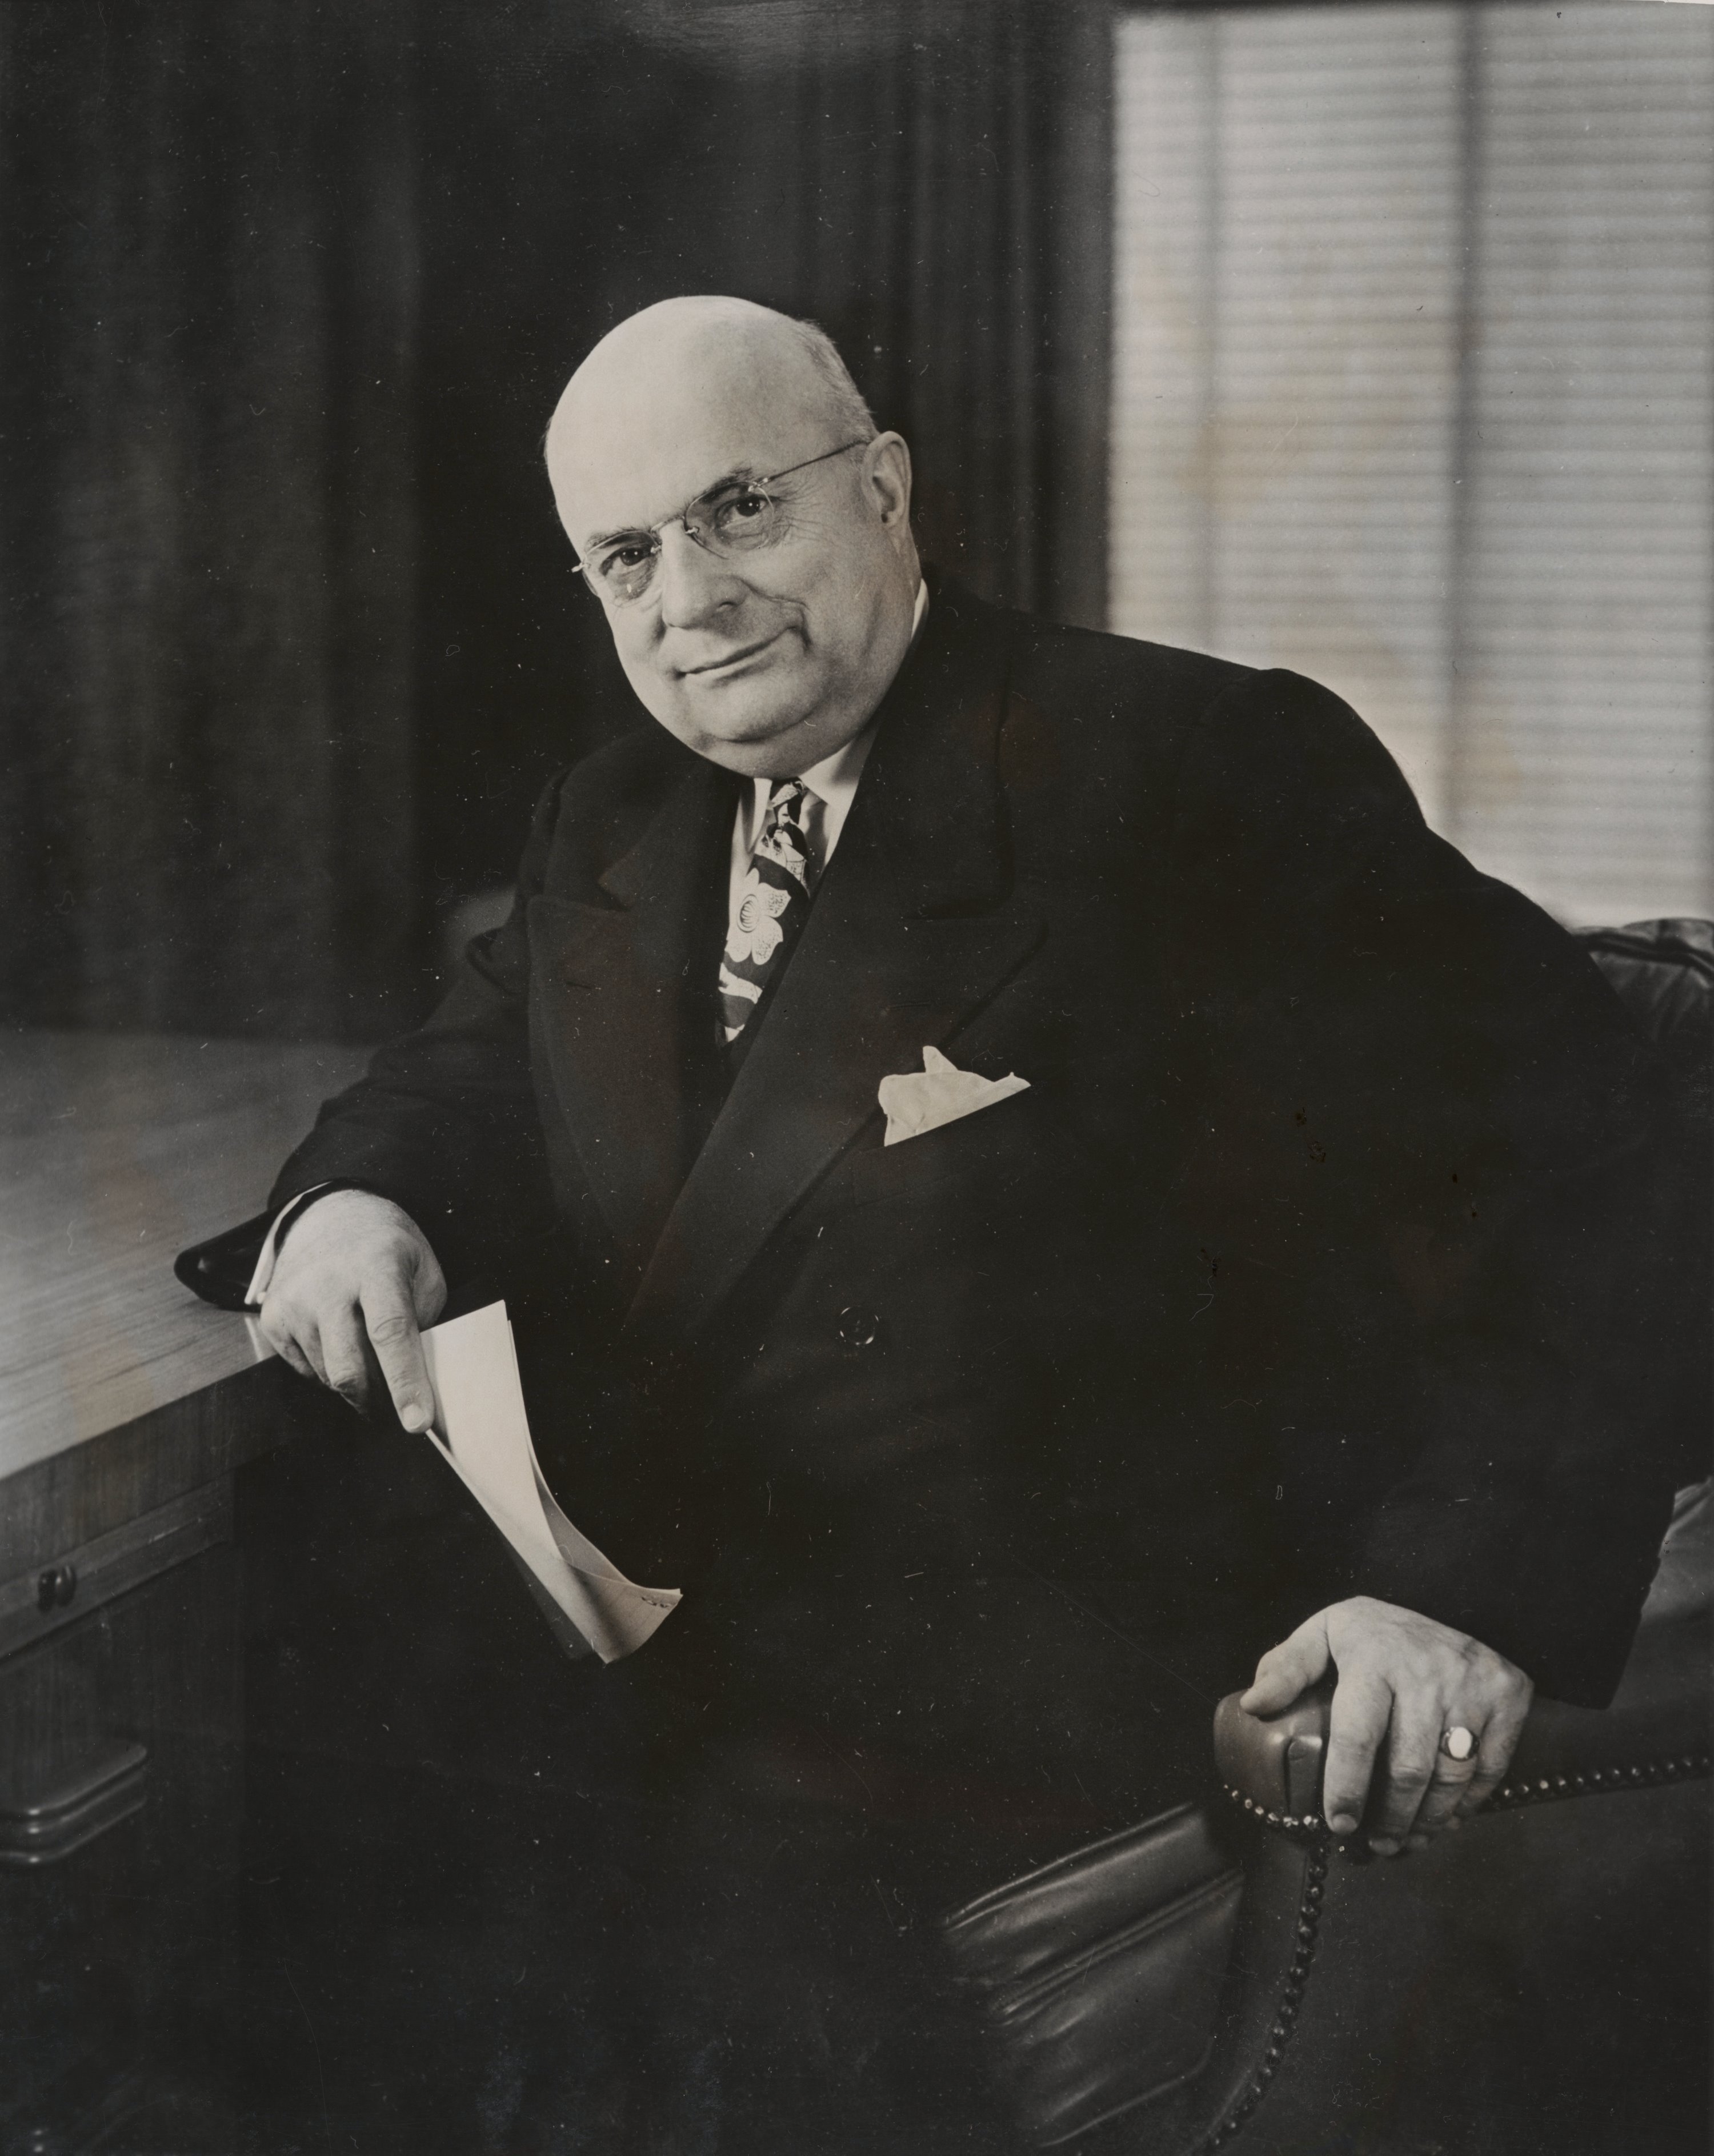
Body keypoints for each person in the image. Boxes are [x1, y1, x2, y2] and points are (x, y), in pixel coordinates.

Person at [183, 296, 1688, 2148]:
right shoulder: (620, 814)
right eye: (626, 556)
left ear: (886, 491)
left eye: (743, 509)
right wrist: (354, 1197)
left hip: (1062, 1687)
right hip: (679, 1649)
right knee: (254, 1833)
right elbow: (482, 1061)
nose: (691, 600)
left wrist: (1452, 1589)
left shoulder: (1193, 767)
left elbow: (1596, 1166)